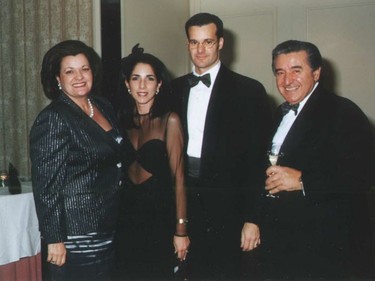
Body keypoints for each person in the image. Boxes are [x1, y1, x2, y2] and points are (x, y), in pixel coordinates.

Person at [261, 39, 374, 279]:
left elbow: (364, 173)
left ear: (317, 72)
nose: (287, 80)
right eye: (280, 72)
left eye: (296, 70)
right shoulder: (278, 113)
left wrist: (303, 180)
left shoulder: (343, 111)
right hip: (284, 243)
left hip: (327, 248)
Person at [171, 13, 272, 280]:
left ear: (221, 43)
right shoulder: (172, 89)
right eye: (194, 42)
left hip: (230, 208)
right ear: (187, 44)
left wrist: (253, 218)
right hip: (183, 202)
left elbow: (258, 161)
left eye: (208, 42)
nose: (201, 50)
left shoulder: (249, 91)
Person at [29, 40, 123, 281]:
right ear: (58, 79)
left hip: (108, 224)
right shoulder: (54, 118)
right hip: (77, 235)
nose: (79, 76)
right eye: (69, 71)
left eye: (84, 69)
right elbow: (46, 187)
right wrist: (55, 239)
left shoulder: (103, 105)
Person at [114, 45, 190, 281]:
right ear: (128, 84)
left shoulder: (170, 121)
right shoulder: (121, 122)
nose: (142, 85)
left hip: (159, 221)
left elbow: (179, 179)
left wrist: (181, 230)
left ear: (159, 85)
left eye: (150, 79)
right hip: (126, 220)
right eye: (136, 79)